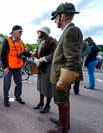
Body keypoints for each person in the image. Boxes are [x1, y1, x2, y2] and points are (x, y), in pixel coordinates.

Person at [47, 2, 83, 133]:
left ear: (62, 16)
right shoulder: (68, 31)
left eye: (56, 17)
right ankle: (64, 122)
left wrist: (63, 80)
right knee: (62, 100)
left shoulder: (71, 31)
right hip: (61, 74)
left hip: (62, 75)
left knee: (61, 100)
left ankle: (62, 127)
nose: (55, 20)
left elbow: (73, 59)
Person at [0, 25, 31, 107]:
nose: (21, 34)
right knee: (7, 84)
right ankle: (6, 98)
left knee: (19, 83)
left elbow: (23, 52)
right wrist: (5, 67)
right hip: (9, 67)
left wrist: (28, 54)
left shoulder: (21, 41)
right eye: (20, 32)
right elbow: (2, 55)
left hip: (18, 67)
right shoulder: (7, 41)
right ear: (14, 32)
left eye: (22, 32)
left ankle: (18, 97)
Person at [33, 27, 57, 113]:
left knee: (48, 87)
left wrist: (44, 58)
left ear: (44, 33)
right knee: (41, 86)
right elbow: (38, 53)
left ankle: (47, 105)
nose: (38, 34)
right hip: (40, 67)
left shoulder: (52, 41)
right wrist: (35, 57)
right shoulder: (41, 42)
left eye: (39, 32)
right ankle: (41, 103)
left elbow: (55, 54)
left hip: (48, 67)